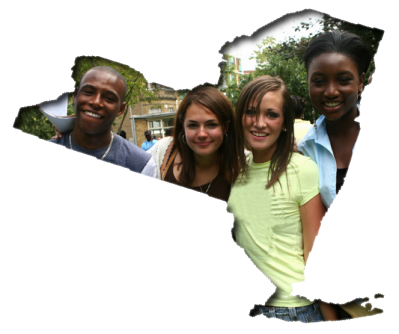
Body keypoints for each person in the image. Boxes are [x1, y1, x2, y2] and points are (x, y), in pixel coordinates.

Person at [227, 75, 338, 323]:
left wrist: (331, 318)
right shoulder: (235, 170)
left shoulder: (302, 170)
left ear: (285, 123)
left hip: (293, 311)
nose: (259, 123)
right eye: (251, 112)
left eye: (272, 114)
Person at [298, 30, 383, 320]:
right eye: (319, 81)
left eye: (344, 79)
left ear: (361, 82)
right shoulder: (305, 150)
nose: (330, 91)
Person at [48, 66, 157, 179]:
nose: (96, 102)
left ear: (120, 109)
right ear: (76, 96)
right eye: (89, 92)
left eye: (109, 98)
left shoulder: (141, 165)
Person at [147, 86, 240, 202]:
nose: (202, 134)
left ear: (225, 127)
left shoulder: (242, 165)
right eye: (193, 125)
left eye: (211, 125)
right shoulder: (162, 152)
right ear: (183, 126)